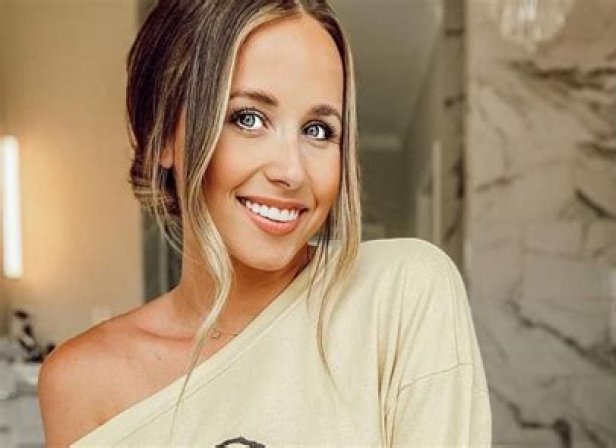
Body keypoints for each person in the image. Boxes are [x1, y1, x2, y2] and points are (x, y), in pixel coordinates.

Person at [37, 1, 492, 446]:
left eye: (318, 130)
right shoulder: (81, 381)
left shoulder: (402, 294)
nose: (291, 172)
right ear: (164, 137)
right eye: (248, 119)